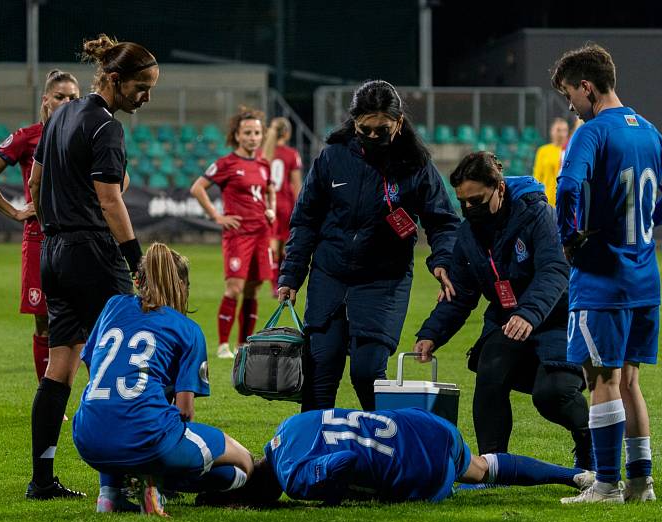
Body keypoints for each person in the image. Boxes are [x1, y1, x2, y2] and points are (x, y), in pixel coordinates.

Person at [550, 44, 662, 504]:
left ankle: (607, 484)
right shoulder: (648, 131)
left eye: (569, 95)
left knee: (601, 380)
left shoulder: (592, 134)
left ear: (587, 87)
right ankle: (640, 483)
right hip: (644, 277)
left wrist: (569, 237)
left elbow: (568, 183)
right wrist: (648, 221)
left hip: (603, 279)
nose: (569, 106)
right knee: (629, 381)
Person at [26, 33, 159, 499]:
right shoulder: (106, 126)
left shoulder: (60, 115)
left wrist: (52, 230)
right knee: (129, 355)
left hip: (55, 253)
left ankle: (42, 480)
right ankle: (136, 477)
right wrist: (136, 261)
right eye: (141, 87)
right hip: (93, 253)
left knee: (59, 366)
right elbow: (110, 199)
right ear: (116, 80)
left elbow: (36, 181)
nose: (146, 96)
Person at [277, 80, 460, 412]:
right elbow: (305, 220)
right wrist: (291, 275)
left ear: (399, 123)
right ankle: (313, 454)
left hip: (383, 281)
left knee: (367, 372)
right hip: (329, 276)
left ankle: (381, 445)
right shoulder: (331, 158)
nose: (374, 137)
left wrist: (442, 260)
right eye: (366, 129)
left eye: (383, 130)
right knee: (321, 370)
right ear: (354, 122)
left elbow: (443, 221)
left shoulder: (416, 166)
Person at [414, 152, 592, 469]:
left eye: (477, 201)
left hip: (558, 320)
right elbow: (461, 291)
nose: (469, 209)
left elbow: (554, 270)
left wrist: (528, 313)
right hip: (508, 321)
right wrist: (432, 333)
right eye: (463, 202)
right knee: (490, 374)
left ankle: (591, 444)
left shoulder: (538, 214)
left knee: (552, 395)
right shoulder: (468, 234)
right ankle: (493, 465)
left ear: (499, 187)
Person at [73, 243, 254, 516]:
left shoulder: (113, 306)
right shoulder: (188, 329)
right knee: (242, 463)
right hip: (147, 438)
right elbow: (184, 411)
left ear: (139, 280)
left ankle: (109, 495)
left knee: (118, 416)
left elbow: (93, 366)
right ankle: (153, 482)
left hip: (87, 436)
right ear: (181, 285)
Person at [206, 407, 594, 505]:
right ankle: (574, 474)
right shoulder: (286, 428)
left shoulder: (295, 479)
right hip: (424, 425)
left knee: (471, 479)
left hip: (419, 469)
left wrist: (336, 497)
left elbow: (343, 463)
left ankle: (571, 477)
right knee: (480, 467)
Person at [0, 70, 79, 383]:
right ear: (46, 100)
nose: (67, 102)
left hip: (75, 238)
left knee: (85, 323)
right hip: (39, 240)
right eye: (60, 96)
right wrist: (15, 212)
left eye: (73, 97)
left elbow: (118, 179)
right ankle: (48, 398)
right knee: (44, 323)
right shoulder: (27, 137)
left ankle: (98, 398)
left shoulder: (85, 135)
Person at [190, 106, 276, 359]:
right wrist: (217, 216)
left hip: (261, 233)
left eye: (257, 133)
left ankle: (243, 345)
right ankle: (223, 345)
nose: (253, 137)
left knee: (253, 289)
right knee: (234, 288)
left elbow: (268, 189)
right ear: (237, 135)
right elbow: (198, 188)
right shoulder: (226, 163)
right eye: (247, 132)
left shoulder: (263, 163)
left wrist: (270, 209)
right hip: (239, 234)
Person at [262, 117, 302, 296]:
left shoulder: (263, 154)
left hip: (268, 203)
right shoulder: (291, 154)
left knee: (272, 245)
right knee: (286, 245)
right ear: (287, 133)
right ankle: (281, 283)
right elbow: (296, 184)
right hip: (285, 204)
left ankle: (272, 285)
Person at [532, 117, 569, 206]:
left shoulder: (570, 150)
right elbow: (537, 176)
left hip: (564, 199)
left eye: (564, 130)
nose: (561, 134)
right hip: (546, 199)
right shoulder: (543, 151)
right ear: (551, 131)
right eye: (558, 130)